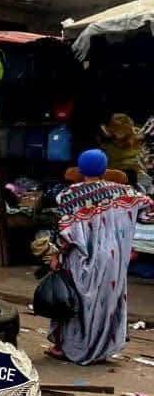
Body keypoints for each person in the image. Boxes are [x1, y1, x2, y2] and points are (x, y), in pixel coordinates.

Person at [47, 149, 151, 364]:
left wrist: (55, 255)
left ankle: (70, 348)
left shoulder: (69, 196)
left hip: (81, 257)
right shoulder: (126, 192)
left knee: (78, 303)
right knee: (107, 303)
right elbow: (148, 210)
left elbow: (65, 233)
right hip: (114, 258)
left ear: (80, 169)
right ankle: (101, 349)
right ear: (104, 169)